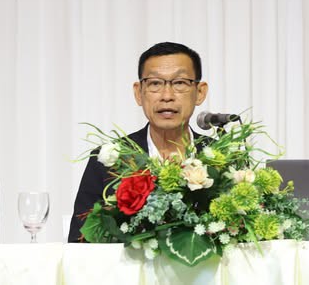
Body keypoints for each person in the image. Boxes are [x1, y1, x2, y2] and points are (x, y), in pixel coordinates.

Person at [67, 42, 209, 242]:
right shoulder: (110, 160)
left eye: (180, 83)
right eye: (155, 84)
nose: (167, 96)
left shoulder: (224, 158)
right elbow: (79, 241)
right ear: (138, 92)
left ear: (200, 92)